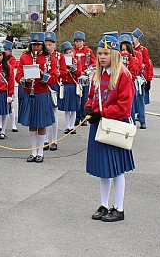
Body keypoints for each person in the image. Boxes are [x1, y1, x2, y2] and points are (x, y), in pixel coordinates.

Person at [85, 35, 135, 223]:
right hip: (99, 125)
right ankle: (104, 204)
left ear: (114, 54)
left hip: (114, 126)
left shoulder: (123, 76)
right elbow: (91, 96)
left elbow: (124, 106)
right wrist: (89, 109)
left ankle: (119, 208)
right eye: (99, 54)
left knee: (116, 169)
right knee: (102, 169)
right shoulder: (97, 75)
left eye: (106, 53)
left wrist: (103, 113)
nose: (102, 57)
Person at [16, 32, 58, 163]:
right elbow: (18, 76)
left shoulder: (49, 59)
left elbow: (54, 78)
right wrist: (25, 80)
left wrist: (42, 74)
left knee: (42, 123)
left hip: (42, 93)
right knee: (32, 123)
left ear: (43, 45)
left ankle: (40, 152)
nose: (36, 48)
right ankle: (33, 151)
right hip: (29, 92)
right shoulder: (24, 57)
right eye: (33, 45)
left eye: (38, 45)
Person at [43, 31, 63, 151]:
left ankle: (54, 139)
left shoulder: (59, 57)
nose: (48, 47)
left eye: (50, 44)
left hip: (54, 86)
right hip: (43, 87)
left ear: (54, 45)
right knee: (45, 114)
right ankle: (44, 139)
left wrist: (58, 74)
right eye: (46, 44)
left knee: (54, 114)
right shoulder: (41, 56)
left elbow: (65, 71)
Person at [58, 41, 82, 135]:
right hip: (65, 85)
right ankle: (68, 126)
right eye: (66, 53)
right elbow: (60, 75)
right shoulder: (61, 63)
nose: (69, 54)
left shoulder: (77, 62)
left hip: (73, 85)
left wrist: (72, 68)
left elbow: (79, 73)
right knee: (67, 108)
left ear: (73, 52)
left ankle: (72, 126)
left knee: (74, 107)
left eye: (70, 52)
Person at [73, 31, 96, 126]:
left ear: (83, 41)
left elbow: (94, 63)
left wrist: (88, 70)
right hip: (74, 77)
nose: (78, 43)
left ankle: (83, 117)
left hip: (85, 77)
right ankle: (76, 117)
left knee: (84, 98)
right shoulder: (72, 51)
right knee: (76, 97)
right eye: (77, 41)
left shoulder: (88, 51)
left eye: (80, 41)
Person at [132, 28, 153, 129]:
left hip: (140, 77)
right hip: (132, 77)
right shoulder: (130, 49)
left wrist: (148, 79)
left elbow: (147, 64)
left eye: (134, 37)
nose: (132, 39)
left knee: (140, 99)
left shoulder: (143, 50)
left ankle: (142, 120)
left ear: (138, 39)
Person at [0, 46, 14, 139]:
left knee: (4, 112)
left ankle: (3, 131)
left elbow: (11, 81)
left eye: (0, 55)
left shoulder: (8, 67)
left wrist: (10, 94)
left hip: (4, 92)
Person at [2, 40, 19, 132]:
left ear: (10, 51)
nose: (4, 51)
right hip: (1, 86)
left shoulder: (12, 59)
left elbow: (11, 70)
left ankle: (13, 124)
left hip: (9, 84)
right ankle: (1, 124)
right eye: (3, 49)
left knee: (10, 105)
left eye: (6, 50)